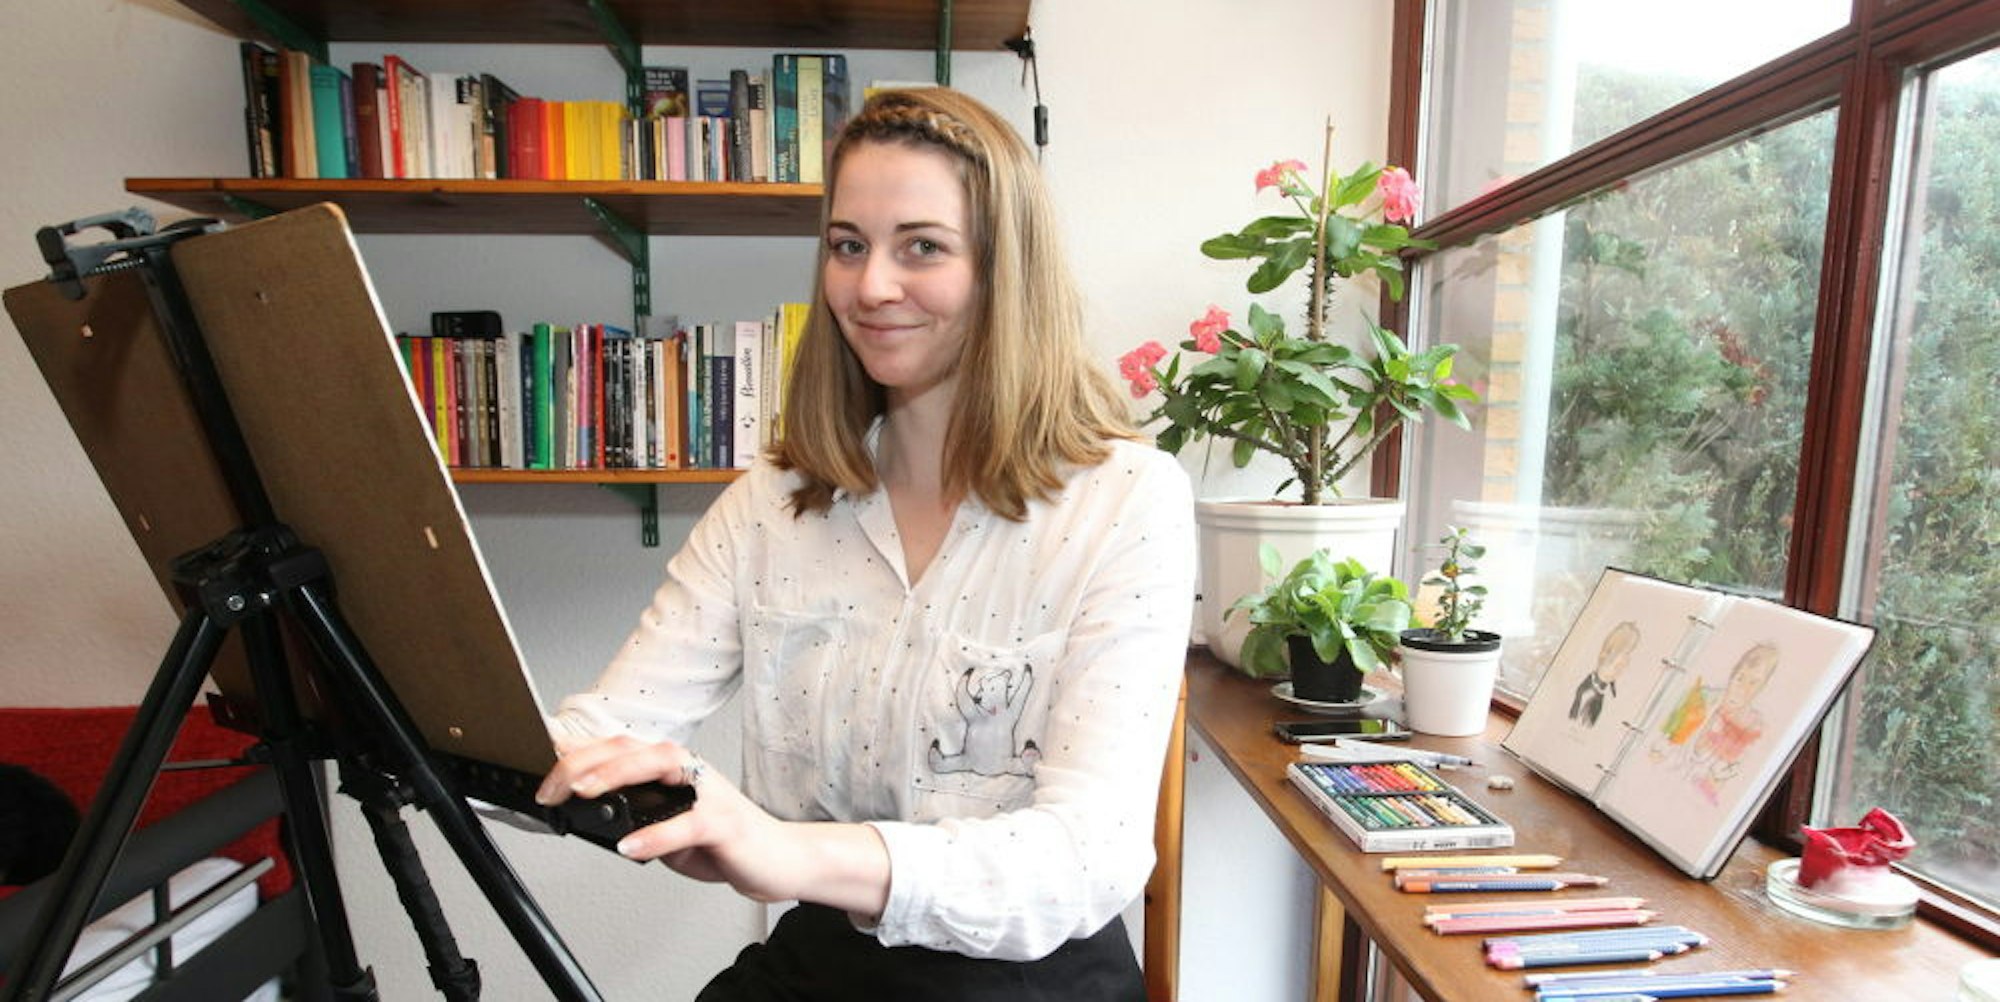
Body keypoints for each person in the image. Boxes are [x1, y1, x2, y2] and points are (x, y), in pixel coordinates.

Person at [534, 87, 1196, 1000]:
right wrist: (441, 723)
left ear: (1006, 270)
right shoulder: (773, 501)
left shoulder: (1126, 498)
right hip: (827, 954)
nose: (871, 287)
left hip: (1034, 979)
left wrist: (782, 850)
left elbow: (1086, 858)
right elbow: (607, 728)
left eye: (922, 247)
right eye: (848, 246)